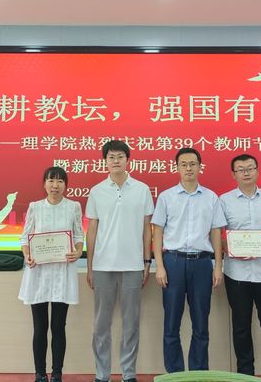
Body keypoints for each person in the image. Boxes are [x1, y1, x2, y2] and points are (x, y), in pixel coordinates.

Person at [214, 154, 261, 382]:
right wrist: (228, 247)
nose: (246, 172)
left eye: (250, 168)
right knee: (241, 326)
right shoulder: (224, 200)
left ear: (257, 171)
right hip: (236, 274)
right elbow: (216, 233)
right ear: (234, 174)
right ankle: (245, 372)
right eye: (241, 169)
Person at [85, 140, 154, 382]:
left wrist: (147, 262)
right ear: (105, 161)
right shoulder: (97, 191)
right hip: (103, 266)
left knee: (131, 324)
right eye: (111, 157)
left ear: (127, 160)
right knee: (101, 325)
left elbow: (147, 229)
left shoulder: (142, 189)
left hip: (133, 266)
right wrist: (90, 266)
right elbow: (92, 230)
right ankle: (102, 374)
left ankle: (129, 374)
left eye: (120, 157)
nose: (116, 161)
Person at [151, 147, 222, 373]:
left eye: (193, 164)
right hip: (173, 262)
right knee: (171, 323)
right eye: (184, 164)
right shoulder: (166, 197)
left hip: (202, 263)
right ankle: (175, 372)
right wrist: (159, 265)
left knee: (201, 323)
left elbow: (216, 233)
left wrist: (218, 266)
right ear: (177, 168)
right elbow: (157, 232)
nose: (188, 168)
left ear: (200, 167)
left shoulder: (211, 198)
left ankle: (198, 371)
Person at [18, 167, 84, 382]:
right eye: (51, 181)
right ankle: (40, 374)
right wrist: (27, 255)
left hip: (62, 272)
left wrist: (78, 251)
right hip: (39, 272)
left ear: (66, 185)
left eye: (60, 181)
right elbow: (25, 237)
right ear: (44, 184)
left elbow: (79, 235)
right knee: (40, 327)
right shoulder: (35, 207)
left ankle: (56, 374)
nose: (55, 186)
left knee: (58, 326)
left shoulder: (73, 207)